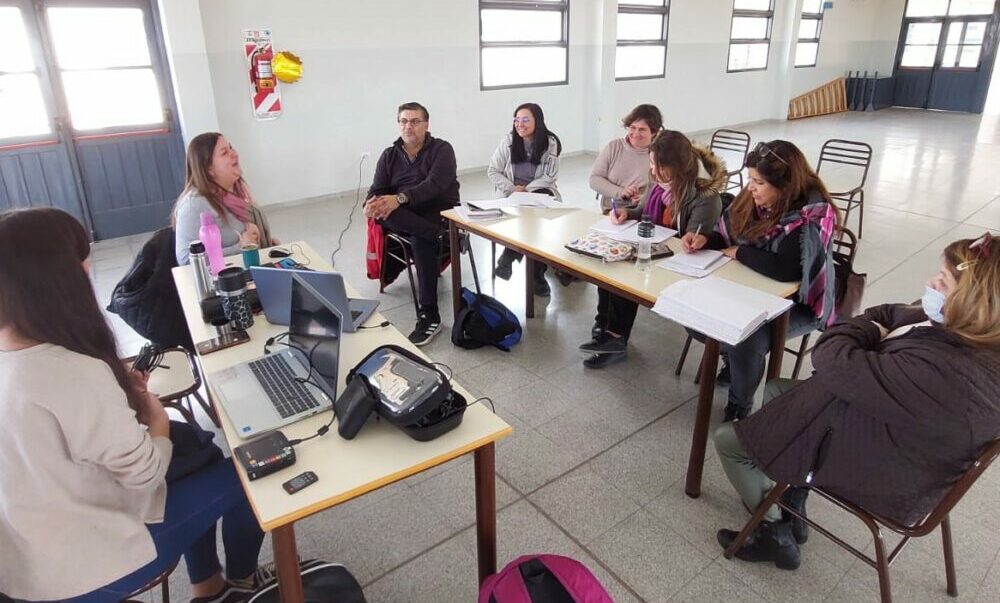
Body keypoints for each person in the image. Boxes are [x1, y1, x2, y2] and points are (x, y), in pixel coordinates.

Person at [0, 208, 265, 603]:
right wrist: (155, 414)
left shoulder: (20, 356)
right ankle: (242, 582)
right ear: (65, 279)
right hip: (88, 566)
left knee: (197, 448)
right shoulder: (70, 373)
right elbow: (145, 474)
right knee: (257, 474)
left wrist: (121, 398)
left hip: (26, 557)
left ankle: (209, 587)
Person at [715, 234, 1000, 570]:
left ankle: (774, 532)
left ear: (975, 300)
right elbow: (886, 312)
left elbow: (829, 354)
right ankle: (795, 493)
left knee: (728, 441)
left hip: (888, 469)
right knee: (778, 388)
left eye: (944, 280)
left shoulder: (947, 373)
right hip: (897, 436)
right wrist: (869, 332)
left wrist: (866, 333)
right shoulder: (968, 335)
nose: (930, 283)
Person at [684, 140, 839, 421]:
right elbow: (727, 234)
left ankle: (739, 406)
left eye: (758, 182)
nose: (751, 187)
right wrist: (705, 239)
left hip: (797, 303)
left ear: (784, 186)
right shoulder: (753, 198)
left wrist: (741, 252)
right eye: (750, 179)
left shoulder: (810, 214)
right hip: (747, 288)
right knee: (694, 316)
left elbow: (786, 270)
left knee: (746, 337)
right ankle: (732, 362)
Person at [580, 130, 726, 369]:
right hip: (655, 250)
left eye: (661, 167)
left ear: (679, 166)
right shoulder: (658, 182)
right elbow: (644, 212)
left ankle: (614, 337)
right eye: (651, 164)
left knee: (625, 274)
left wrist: (693, 239)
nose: (654, 172)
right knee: (610, 265)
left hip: (681, 262)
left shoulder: (705, 196)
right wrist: (628, 213)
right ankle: (608, 332)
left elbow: (690, 240)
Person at [365, 102, 460, 346]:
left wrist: (399, 198)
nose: (409, 126)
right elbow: (377, 190)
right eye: (404, 121)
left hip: (437, 211)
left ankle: (430, 316)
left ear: (426, 125)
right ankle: (436, 236)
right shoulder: (389, 155)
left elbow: (435, 185)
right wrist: (370, 204)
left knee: (419, 238)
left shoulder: (442, 149)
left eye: (415, 121)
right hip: (405, 215)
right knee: (382, 213)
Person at [488, 102, 562, 296]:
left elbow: (549, 177)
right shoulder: (508, 141)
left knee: (535, 222)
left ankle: (509, 256)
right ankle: (537, 276)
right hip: (511, 195)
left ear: (537, 121)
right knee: (530, 224)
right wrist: (514, 189)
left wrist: (527, 190)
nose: (520, 124)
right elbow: (493, 171)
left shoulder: (550, 142)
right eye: (517, 120)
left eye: (525, 120)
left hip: (539, 192)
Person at [173, 132, 279, 265]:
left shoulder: (237, 192)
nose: (234, 154)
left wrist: (268, 246)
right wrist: (241, 247)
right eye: (224, 153)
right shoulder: (194, 205)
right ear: (208, 169)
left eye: (231, 148)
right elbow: (185, 260)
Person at [589, 104, 662, 214]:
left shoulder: (659, 154)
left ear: (654, 132)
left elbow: (666, 188)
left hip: (644, 212)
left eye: (642, 129)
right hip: (611, 211)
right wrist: (621, 192)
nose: (636, 133)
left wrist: (644, 198)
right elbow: (594, 179)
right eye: (632, 127)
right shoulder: (614, 147)